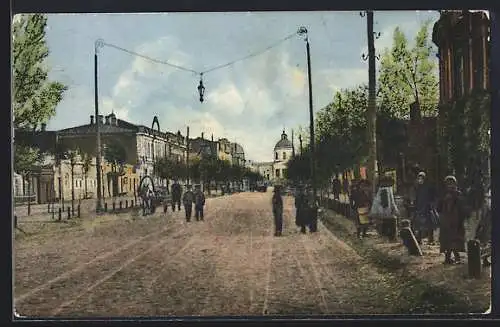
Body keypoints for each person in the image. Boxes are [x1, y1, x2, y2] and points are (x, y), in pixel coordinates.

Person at [436, 175, 469, 264]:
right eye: (448, 183)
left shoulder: (458, 194)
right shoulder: (443, 195)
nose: (450, 185)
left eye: (452, 183)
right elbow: (438, 208)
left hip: (456, 222)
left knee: (454, 239)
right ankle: (449, 258)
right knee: (447, 240)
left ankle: (455, 257)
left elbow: (462, 208)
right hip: (446, 222)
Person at [412, 171, 437, 245]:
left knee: (429, 224)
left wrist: (431, 204)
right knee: (419, 224)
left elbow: (433, 197)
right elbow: (416, 198)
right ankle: (419, 239)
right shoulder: (417, 187)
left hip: (427, 208)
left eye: (421, 178)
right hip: (419, 208)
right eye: (419, 178)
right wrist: (415, 206)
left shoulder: (429, 187)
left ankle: (431, 239)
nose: (420, 180)